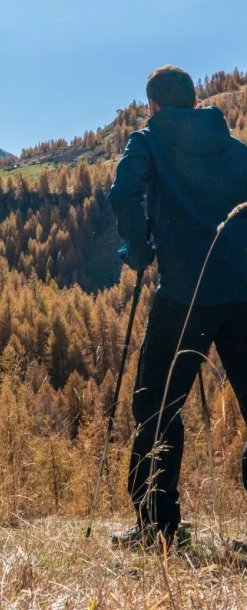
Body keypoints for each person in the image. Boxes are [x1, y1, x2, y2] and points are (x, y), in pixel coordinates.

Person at [108, 65, 247, 548]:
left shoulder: (146, 141)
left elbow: (125, 192)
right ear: (194, 100)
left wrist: (140, 247)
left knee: (157, 407)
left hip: (183, 296)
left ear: (154, 105)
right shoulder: (236, 151)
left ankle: (158, 528)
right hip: (244, 293)